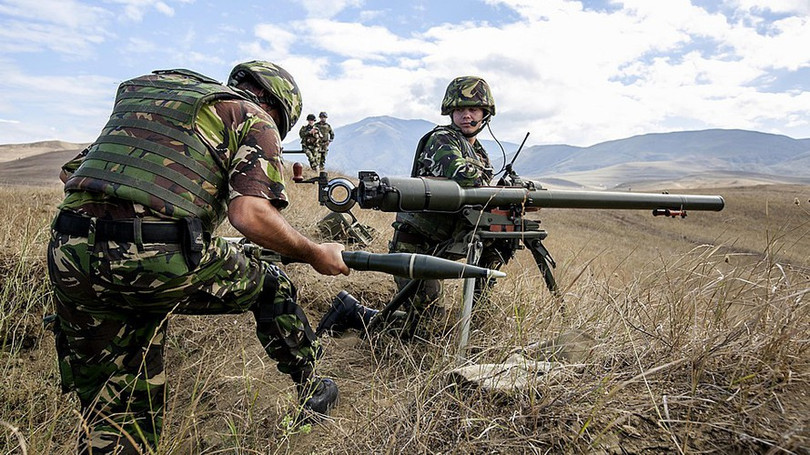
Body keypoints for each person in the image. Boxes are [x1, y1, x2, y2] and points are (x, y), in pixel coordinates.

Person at [47, 61, 349, 454]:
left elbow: (69, 173)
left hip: (68, 252)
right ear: (278, 108)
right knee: (270, 282)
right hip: (157, 258)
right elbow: (250, 215)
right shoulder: (254, 117)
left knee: (114, 413)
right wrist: (313, 253)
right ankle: (312, 384)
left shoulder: (170, 105)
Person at [387, 76, 511, 336]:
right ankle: (360, 317)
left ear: (485, 114)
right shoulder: (442, 139)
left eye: (473, 109)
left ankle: (477, 316)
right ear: (450, 113)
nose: (466, 115)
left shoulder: (479, 152)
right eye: (459, 110)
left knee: (499, 242)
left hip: (447, 240)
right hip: (417, 243)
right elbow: (464, 175)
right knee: (426, 323)